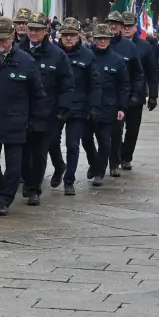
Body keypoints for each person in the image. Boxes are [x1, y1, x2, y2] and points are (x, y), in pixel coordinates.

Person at [0, 16, 44, 216]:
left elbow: (38, 94)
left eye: (3, 39)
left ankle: (3, 200)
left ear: (12, 37)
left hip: (16, 122)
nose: (0, 43)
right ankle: (2, 188)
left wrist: (36, 120)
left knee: (14, 166)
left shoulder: (26, 62)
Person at [19, 12, 73, 204]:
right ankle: (27, 180)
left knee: (40, 152)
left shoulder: (57, 55)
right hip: (21, 111)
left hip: (46, 112)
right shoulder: (18, 51)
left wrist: (63, 109)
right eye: (31, 29)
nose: (34, 33)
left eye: (38, 29)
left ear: (45, 31)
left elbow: (67, 84)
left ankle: (35, 189)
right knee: (22, 152)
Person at [55, 17, 100, 194]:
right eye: (65, 34)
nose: (68, 38)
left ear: (78, 36)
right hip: (56, 106)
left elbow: (94, 83)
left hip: (77, 107)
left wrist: (94, 106)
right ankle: (59, 165)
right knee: (51, 142)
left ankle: (69, 181)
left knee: (72, 145)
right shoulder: (54, 53)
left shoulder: (87, 55)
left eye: (72, 35)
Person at [88, 24, 130, 187]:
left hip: (108, 106)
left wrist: (122, 107)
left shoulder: (117, 60)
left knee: (105, 141)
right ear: (94, 39)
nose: (102, 41)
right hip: (88, 106)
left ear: (109, 40)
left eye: (105, 38)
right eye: (99, 38)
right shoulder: (87, 56)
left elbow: (124, 85)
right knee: (86, 139)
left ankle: (99, 173)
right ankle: (94, 163)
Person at [104, 10, 143, 180]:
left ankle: (115, 163)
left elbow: (138, 74)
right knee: (100, 134)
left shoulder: (129, 47)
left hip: (122, 96)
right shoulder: (99, 43)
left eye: (116, 24)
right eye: (110, 23)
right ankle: (98, 161)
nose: (113, 26)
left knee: (117, 131)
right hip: (102, 96)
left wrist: (135, 94)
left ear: (121, 26)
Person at [119, 10, 158, 172]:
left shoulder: (145, 46)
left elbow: (152, 72)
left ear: (136, 27)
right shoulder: (113, 45)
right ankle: (118, 153)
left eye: (130, 26)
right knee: (114, 129)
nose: (127, 28)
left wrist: (153, 95)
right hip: (117, 94)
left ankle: (126, 157)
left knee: (133, 129)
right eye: (124, 26)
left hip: (137, 93)